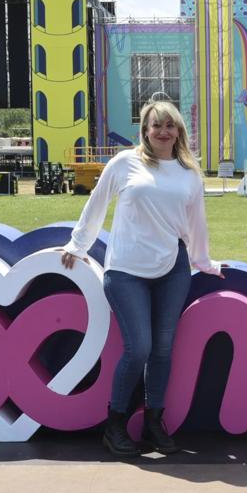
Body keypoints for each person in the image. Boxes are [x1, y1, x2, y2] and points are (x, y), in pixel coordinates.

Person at [60, 100, 222, 458]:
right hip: (126, 270)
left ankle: (154, 422)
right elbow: (97, 203)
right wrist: (78, 244)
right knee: (140, 348)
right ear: (145, 131)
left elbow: (196, 223)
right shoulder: (124, 163)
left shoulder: (188, 173)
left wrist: (203, 261)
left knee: (163, 349)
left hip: (173, 269)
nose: (163, 132)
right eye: (155, 126)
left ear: (179, 130)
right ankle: (114, 424)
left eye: (170, 125)